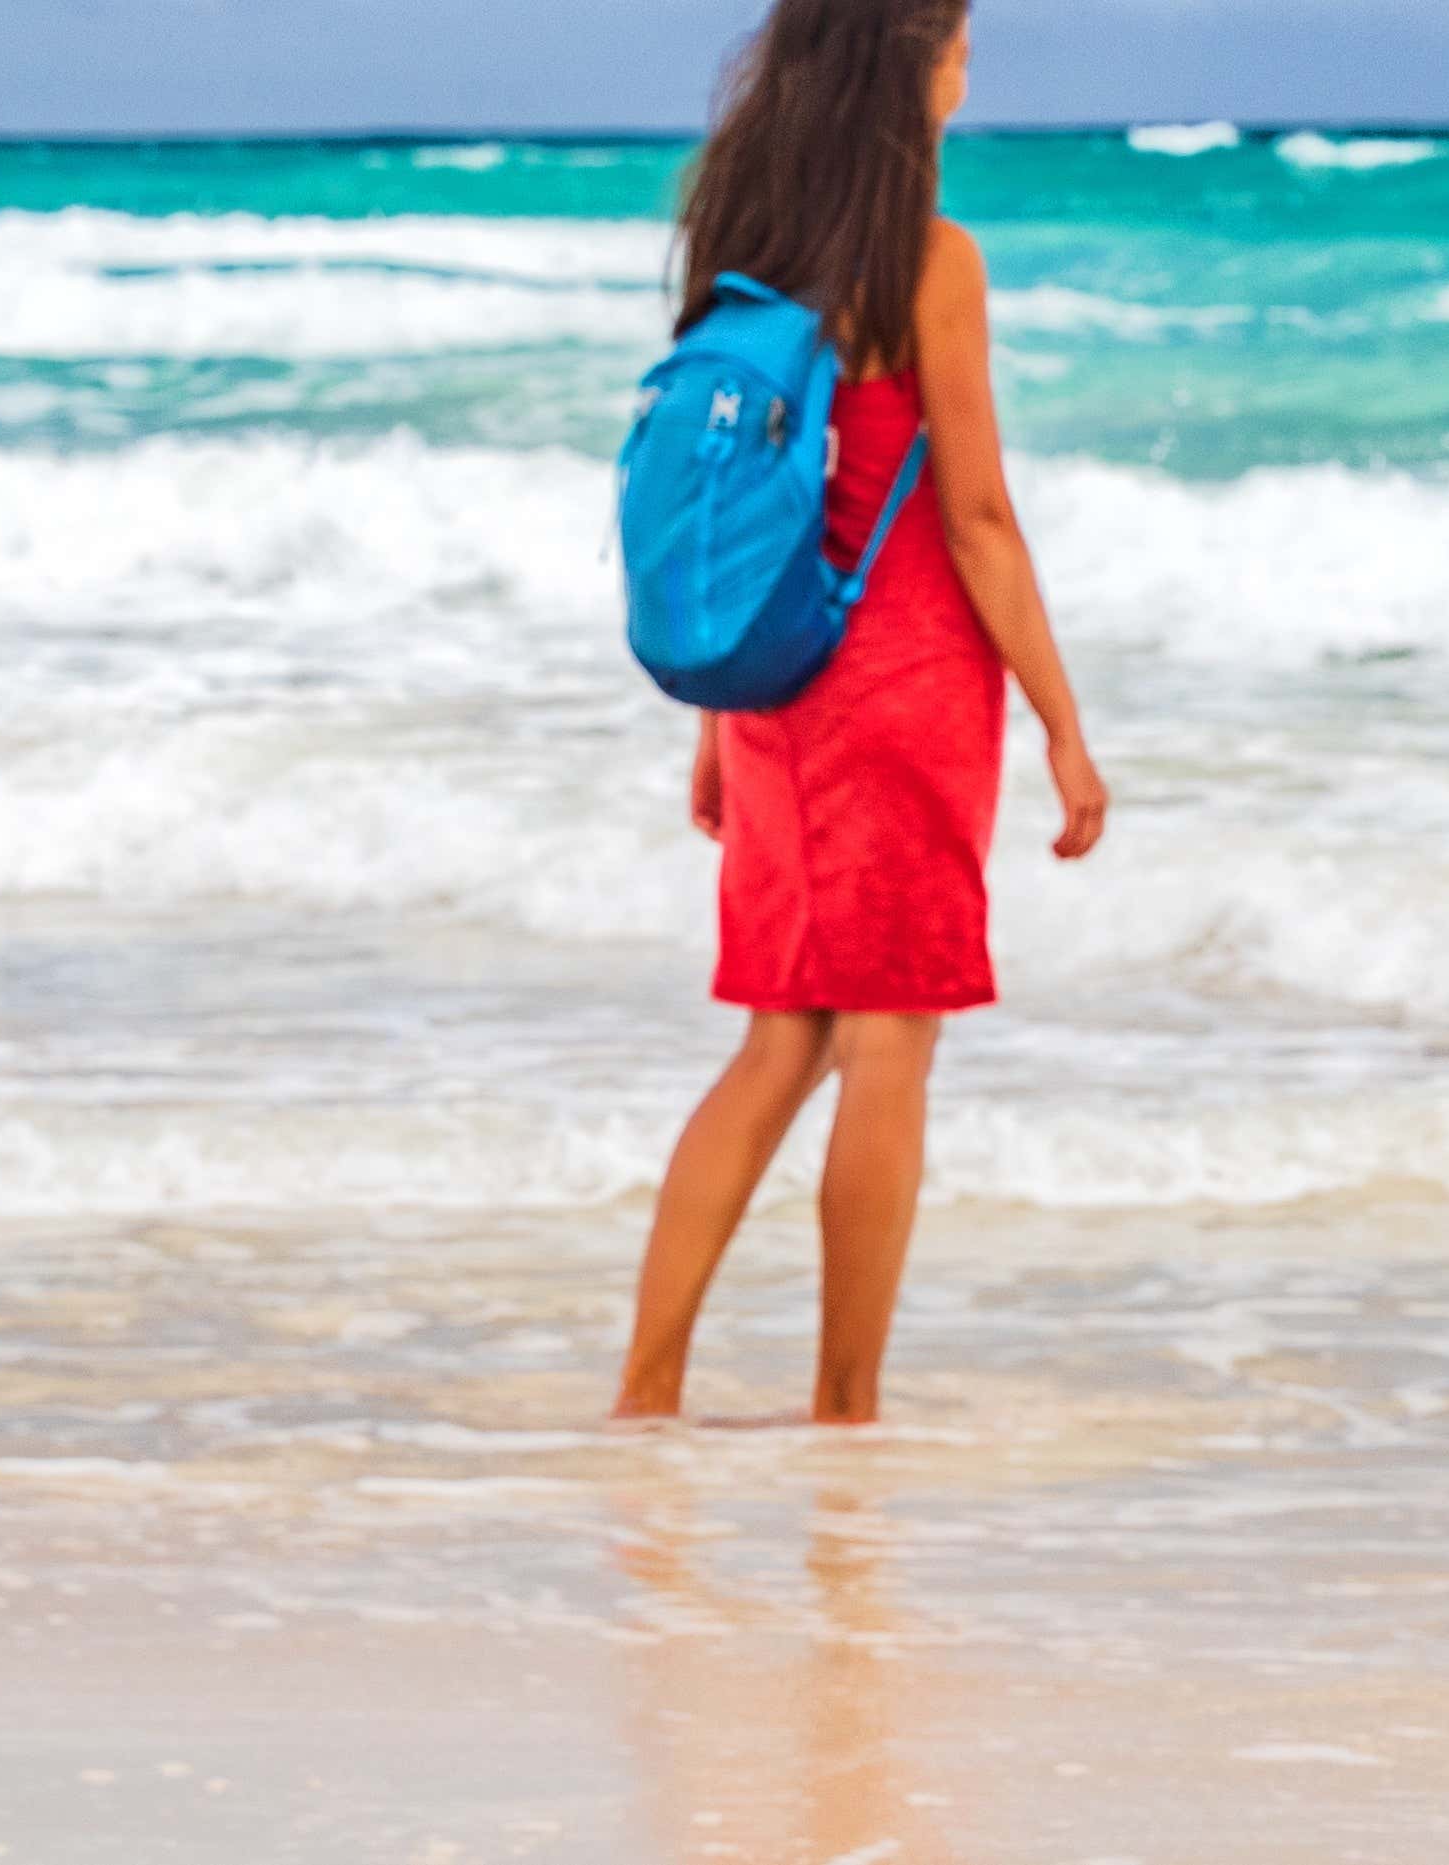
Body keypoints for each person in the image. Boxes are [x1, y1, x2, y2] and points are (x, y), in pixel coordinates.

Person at [613, 0, 1106, 1428]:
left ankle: (646, 1394)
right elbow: (979, 518)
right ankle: (848, 1410)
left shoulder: (747, 231)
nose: (972, 62)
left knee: (782, 1040)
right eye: (959, 38)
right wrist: (1064, 722)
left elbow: (739, 503)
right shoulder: (930, 261)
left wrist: (719, 713)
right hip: (900, 695)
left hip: (774, 684)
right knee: (888, 1040)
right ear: (917, 67)